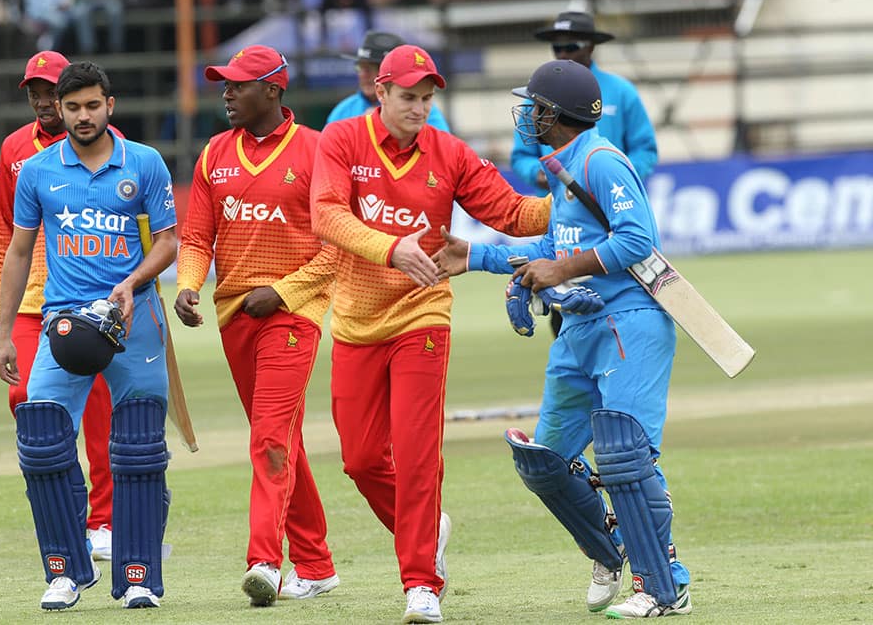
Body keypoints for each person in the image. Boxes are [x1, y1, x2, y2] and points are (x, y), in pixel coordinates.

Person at [433, 59, 692, 618]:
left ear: (556, 114)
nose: (527, 113)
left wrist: (564, 269)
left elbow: (638, 242)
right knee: (545, 462)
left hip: (629, 325)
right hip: (579, 331)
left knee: (626, 457)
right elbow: (552, 252)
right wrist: (475, 256)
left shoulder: (601, 161)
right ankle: (612, 551)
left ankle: (664, 586)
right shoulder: (560, 165)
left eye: (535, 106)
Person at [309, 44, 552, 624]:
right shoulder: (341, 141)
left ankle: (421, 582)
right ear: (381, 92)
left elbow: (512, 213)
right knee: (362, 459)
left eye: (427, 98)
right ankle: (428, 528)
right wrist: (392, 248)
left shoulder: (448, 151)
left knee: (418, 456)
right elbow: (326, 215)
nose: (419, 108)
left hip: (424, 315)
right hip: (356, 321)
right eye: (409, 97)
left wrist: (569, 195)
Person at [0, 60, 177, 611]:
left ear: (110, 105)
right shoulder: (38, 170)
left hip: (135, 320)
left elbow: (169, 242)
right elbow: (19, 250)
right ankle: (66, 572)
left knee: (140, 447)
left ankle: (139, 574)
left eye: (92, 105)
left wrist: (132, 282)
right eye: (72, 108)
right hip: (64, 323)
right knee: (42, 439)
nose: (81, 116)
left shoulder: (143, 163)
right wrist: (3, 331)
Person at [174, 44, 340, 608]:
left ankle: (265, 561)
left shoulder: (319, 151)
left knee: (268, 436)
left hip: (294, 314)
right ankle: (317, 564)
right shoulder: (214, 153)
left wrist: (285, 292)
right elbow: (197, 238)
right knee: (282, 436)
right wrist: (188, 285)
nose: (226, 94)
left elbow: (338, 249)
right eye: (223, 84)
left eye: (237, 85)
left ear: (273, 90)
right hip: (234, 317)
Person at [0, 50, 117, 563]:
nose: (42, 101)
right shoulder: (16, 150)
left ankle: (104, 522)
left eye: (49, 91)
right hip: (30, 302)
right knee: (27, 400)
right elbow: (5, 235)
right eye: (35, 92)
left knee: (103, 414)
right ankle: (64, 508)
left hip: (92, 300)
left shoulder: (111, 147)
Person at [513, 10, 658, 337]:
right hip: (563, 219)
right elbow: (521, 156)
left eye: (572, 45)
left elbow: (645, 149)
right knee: (565, 313)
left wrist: (610, 180)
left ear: (591, 47)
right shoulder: (536, 97)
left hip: (608, 211)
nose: (564, 53)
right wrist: (535, 174)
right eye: (557, 48)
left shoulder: (621, 91)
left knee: (619, 288)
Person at [325, 30, 450, 131]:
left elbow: (442, 152)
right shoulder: (343, 110)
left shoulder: (422, 111)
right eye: (361, 67)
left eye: (374, 67)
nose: (363, 74)